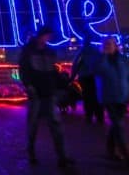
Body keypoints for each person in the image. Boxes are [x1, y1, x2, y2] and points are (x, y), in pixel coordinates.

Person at [18, 26, 74, 168]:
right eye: (47, 35)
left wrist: (61, 80)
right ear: (41, 35)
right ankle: (32, 152)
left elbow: (52, 71)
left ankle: (62, 156)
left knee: (55, 125)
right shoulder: (29, 51)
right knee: (34, 125)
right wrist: (29, 86)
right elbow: (24, 70)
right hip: (36, 93)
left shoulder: (48, 51)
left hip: (48, 92)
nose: (48, 38)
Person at [95, 37, 129, 167]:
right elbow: (99, 71)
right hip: (108, 98)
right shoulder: (99, 60)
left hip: (123, 97)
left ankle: (110, 150)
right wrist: (104, 56)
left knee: (116, 125)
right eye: (105, 44)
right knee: (119, 125)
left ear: (116, 46)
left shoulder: (123, 60)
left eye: (110, 44)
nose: (108, 46)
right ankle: (128, 155)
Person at [70, 38, 104, 123]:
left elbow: (76, 64)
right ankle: (99, 116)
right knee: (97, 96)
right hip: (96, 77)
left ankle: (89, 116)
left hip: (85, 77)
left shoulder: (82, 52)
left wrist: (72, 77)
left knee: (87, 96)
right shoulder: (97, 52)